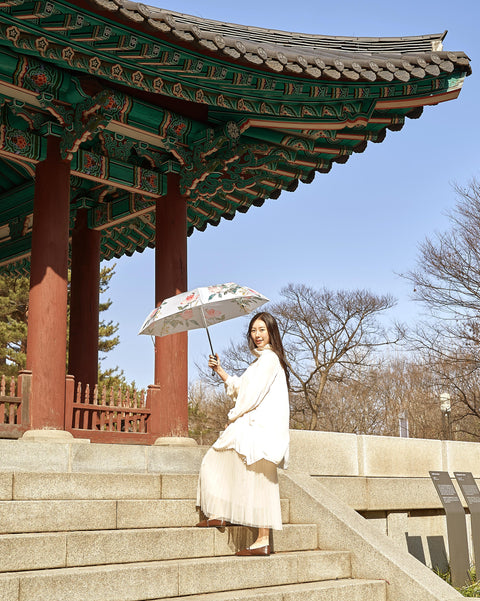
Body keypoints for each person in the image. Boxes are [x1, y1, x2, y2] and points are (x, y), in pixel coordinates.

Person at [196, 311, 290, 557]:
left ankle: (260, 537)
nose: (257, 335)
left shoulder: (269, 360)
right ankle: (223, 515)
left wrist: (233, 417)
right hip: (256, 426)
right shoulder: (262, 362)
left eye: (261, 329)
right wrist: (221, 371)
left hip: (258, 427)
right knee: (244, 472)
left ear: (271, 331)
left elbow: (251, 396)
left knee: (221, 462)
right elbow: (245, 388)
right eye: (253, 330)